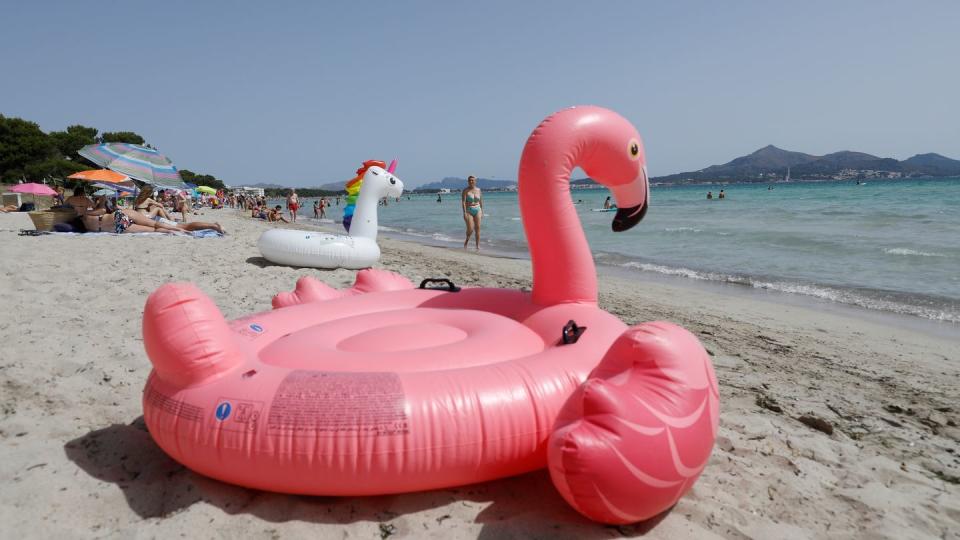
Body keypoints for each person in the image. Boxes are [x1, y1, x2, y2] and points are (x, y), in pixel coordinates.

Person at [461, 175, 483, 249]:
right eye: (469, 180)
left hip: (478, 209)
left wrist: (482, 211)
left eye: (472, 180)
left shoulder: (479, 190)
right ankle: (466, 241)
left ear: (475, 181)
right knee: (470, 229)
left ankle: (477, 246)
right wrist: (464, 212)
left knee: (478, 228)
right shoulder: (465, 190)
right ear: (468, 181)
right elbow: (463, 202)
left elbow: (481, 202)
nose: (471, 181)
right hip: (469, 210)